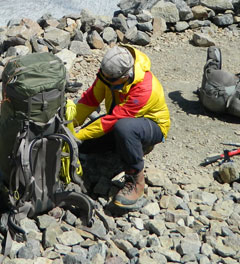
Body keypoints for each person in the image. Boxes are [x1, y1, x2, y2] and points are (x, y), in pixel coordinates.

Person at [70, 43, 170, 209]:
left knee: (124, 128)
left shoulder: (145, 89)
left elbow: (115, 119)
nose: (109, 84)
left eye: (113, 82)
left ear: (126, 75)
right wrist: (69, 127)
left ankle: (136, 180)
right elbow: (89, 101)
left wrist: (76, 136)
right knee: (84, 147)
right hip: (118, 119)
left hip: (152, 126)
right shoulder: (108, 75)